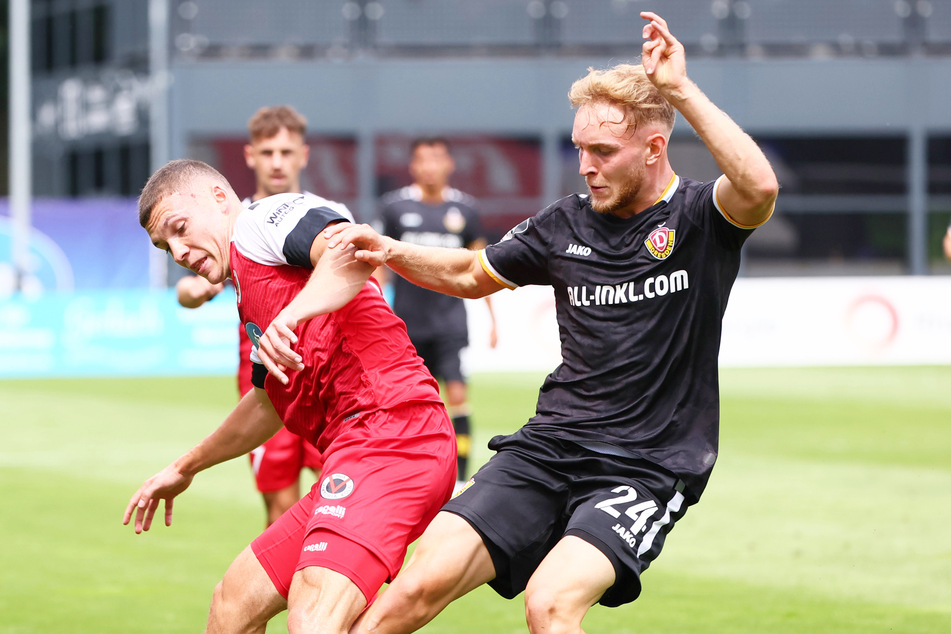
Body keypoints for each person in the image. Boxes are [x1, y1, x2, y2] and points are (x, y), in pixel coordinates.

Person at [324, 12, 779, 633]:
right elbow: (469, 272)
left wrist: (679, 90)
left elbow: (757, 186)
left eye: (602, 151)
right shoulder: (564, 224)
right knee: (416, 582)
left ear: (653, 148)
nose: (586, 165)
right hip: (549, 446)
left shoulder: (701, 218)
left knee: (552, 603)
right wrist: (393, 252)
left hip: (645, 466)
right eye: (580, 149)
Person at [124, 159, 456, 633]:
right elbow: (266, 405)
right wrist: (184, 467)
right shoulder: (247, 288)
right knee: (231, 605)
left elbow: (351, 250)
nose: (177, 251)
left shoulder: (261, 222)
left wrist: (290, 317)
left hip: (395, 435)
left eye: (179, 229)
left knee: (312, 618)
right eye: (165, 246)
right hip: (355, 453)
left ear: (220, 198)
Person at [176, 105, 354, 527]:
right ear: (250, 155)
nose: (277, 162)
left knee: (341, 499)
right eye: (268, 152)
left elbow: (356, 271)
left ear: (303, 156)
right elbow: (184, 292)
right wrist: (200, 289)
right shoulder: (226, 227)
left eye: (286, 152)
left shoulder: (325, 213)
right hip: (260, 377)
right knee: (279, 511)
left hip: (322, 372)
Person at [378, 137, 497, 485]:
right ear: (413, 166)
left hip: (449, 322)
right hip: (406, 324)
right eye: (423, 160)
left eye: (437, 159)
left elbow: (482, 265)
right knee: (405, 398)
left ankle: (460, 479)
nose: (430, 167)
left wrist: (493, 319)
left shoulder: (466, 211)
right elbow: (379, 265)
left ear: (449, 165)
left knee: (458, 395)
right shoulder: (394, 208)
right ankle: (404, 471)